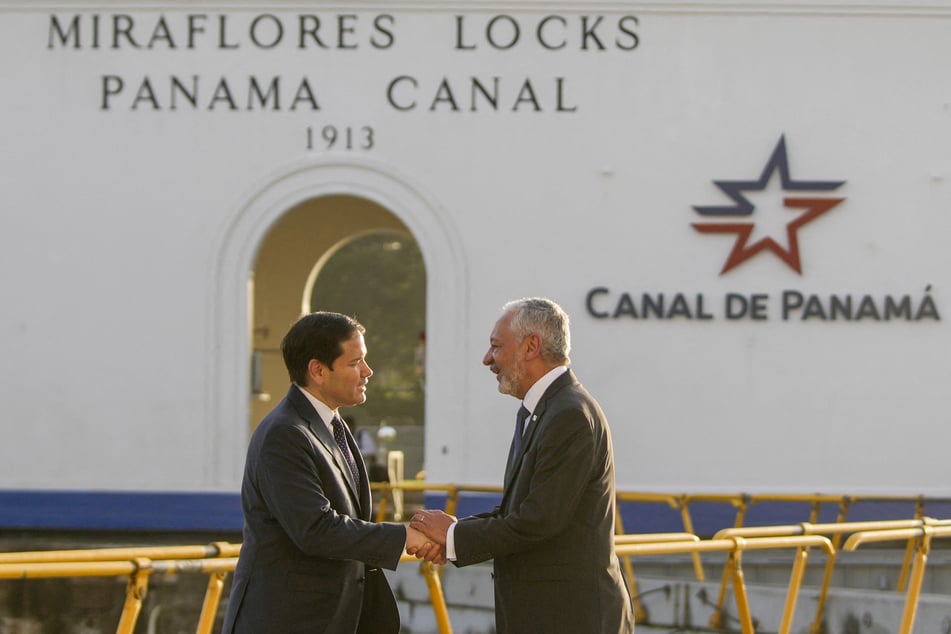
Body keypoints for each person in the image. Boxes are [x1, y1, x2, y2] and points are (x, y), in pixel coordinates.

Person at [410, 297, 635, 633]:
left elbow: (538, 521)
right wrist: (452, 533)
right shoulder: (543, 411)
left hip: (573, 618)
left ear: (531, 346)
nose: (487, 359)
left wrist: (453, 534)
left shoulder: (569, 415)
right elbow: (519, 512)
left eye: (496, 347)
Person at [222, 311, 438, 634]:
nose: (368, 371)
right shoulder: (284, 434)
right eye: (355, 363)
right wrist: (403, 535)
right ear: (318, 371)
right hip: (288, 622)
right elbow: (315, 528)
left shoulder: (332, 425)